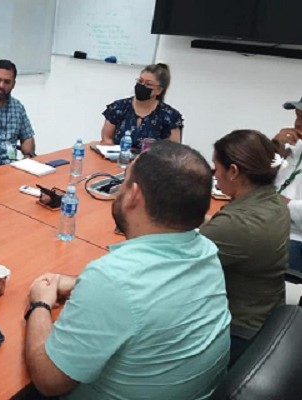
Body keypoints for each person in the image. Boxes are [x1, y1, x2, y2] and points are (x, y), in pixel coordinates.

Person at [23, 141, 231, 400]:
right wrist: (82, 284)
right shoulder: (206, 250)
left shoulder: (112, 280)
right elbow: (147, 292)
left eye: (123, 181)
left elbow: (49, 381)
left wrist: (40, 304)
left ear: (134, 195)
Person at [201, 130, 289, 333]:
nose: (215, 174)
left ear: (233, 171)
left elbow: (174, 264)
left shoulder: (238, 224)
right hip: (266, 313)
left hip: (239, 327)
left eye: (216, 167)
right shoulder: (273, 202)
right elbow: (220, 230)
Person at [100, 63, 183, 151]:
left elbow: (174, 151)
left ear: (159, 90)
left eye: (148, 84)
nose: (142, 86)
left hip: (152, 163)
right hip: (117, 160)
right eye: (140, 81)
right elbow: (107, 139)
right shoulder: (118, 108)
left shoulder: (170, 116)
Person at [273, 96, 302, 271]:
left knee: (238, 247)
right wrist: (275, 146)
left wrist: (286, 204)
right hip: (273, 226)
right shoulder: (295, 147)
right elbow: (260, 179)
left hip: (297, 238)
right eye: (297, 115)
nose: (297, 123)